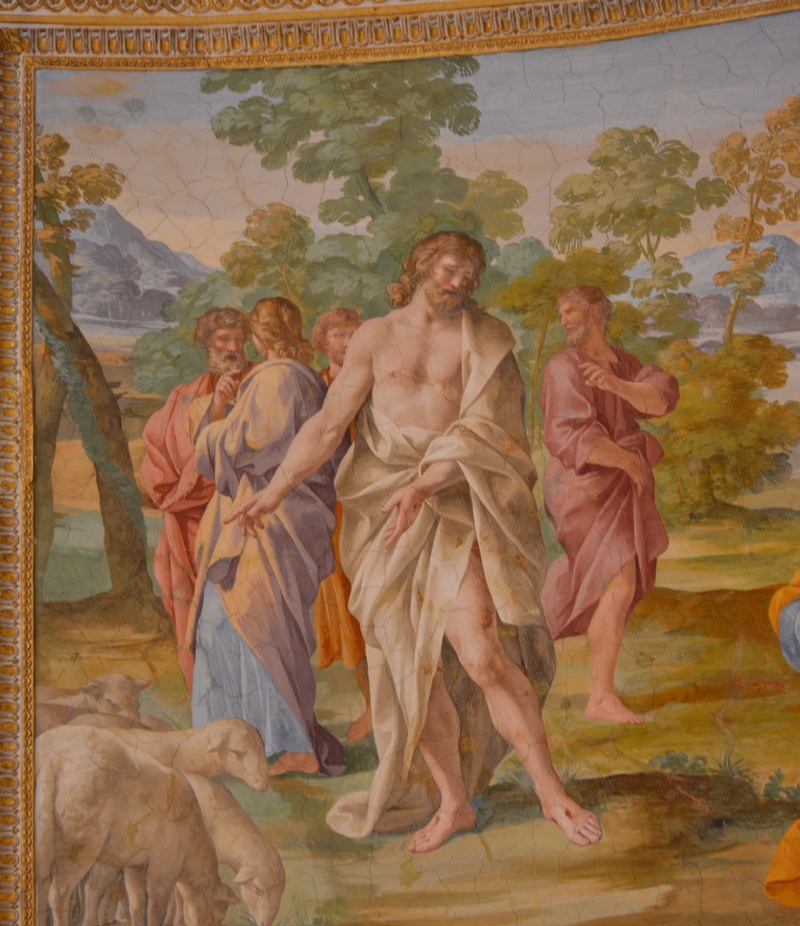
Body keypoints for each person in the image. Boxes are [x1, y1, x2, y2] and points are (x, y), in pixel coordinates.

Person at [227, 233, 601, 852]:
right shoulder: (374, 337)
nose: (461, 282)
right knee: (410, 671)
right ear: (422, 267)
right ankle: (454, 804)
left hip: (453, 504)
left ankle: (551, 791)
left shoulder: (487, 340)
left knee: (481, 653)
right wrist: (274, 490)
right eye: (451, 269)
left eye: (470, 274)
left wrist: (425, 484)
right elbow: (328, 424)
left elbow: (495, 436)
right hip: (383, 516)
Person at [186, 297, 345, 778]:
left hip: (268, 523)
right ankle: (237, 740)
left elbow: (251, 444)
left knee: (252, 627)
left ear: (259, 337)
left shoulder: (278, 379)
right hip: (275, 520)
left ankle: (292, 746)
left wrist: (211, 429)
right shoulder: (307, 379)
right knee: (244, 627)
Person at [539, 287, 679, 725]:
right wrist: (624, 459)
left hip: (619, 484)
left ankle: (540, 650)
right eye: (561, 313)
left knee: (614, 580)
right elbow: (564, 432)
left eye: (571, 310)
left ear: (597, 313)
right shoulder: (563, 366)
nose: (564, 320)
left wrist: (618, 385)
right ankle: (599, 697)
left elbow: (661, 399)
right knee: (617, 578)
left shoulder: (624, 364)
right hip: (581, 486)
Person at [139, 307, 251, 689]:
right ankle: (205, 696)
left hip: (245, 516)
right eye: (223, 339)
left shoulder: (261, 382)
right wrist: (216, 406)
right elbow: (175, 460)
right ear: (208, 345)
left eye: (238, 339)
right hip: (190, 520)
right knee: (198, 615)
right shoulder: (184, 396)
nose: (232, 347)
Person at [310, 308, 372, 742]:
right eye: (338, 334)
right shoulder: (314, 385)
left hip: (372, 506)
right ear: (324, 340)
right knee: (346, 607)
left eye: (354, 334)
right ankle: (373, 703)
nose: (347, 342)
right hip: (331, 512)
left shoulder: (374, 381)